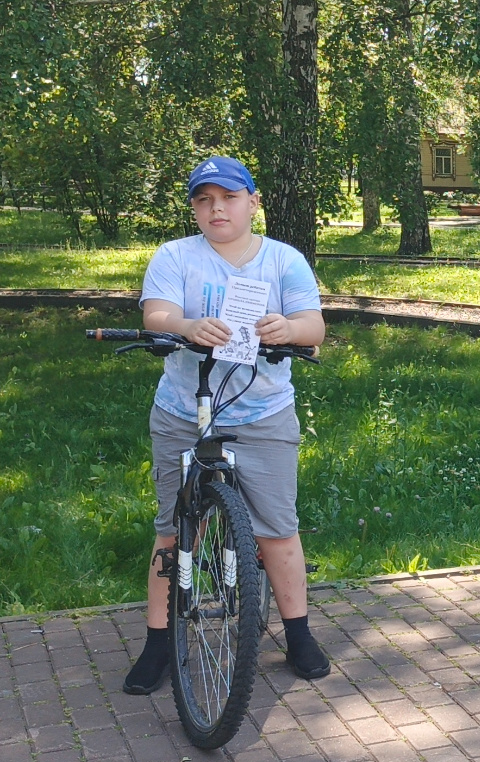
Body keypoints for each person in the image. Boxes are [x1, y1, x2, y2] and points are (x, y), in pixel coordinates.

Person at [123, 155, 329, 694]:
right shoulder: (175, 256)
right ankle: (158, 642)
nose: (217, 209)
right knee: (173, 529)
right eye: (204, 200)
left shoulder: (283, 260)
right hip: (184, 410)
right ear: (194, 208)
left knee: (278, 529)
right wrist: (186, 325)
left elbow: (314, 325)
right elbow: (156, 314)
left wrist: (288, 329)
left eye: (229, 198)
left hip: (263, 413)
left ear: (253, 202)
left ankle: (299, 633)